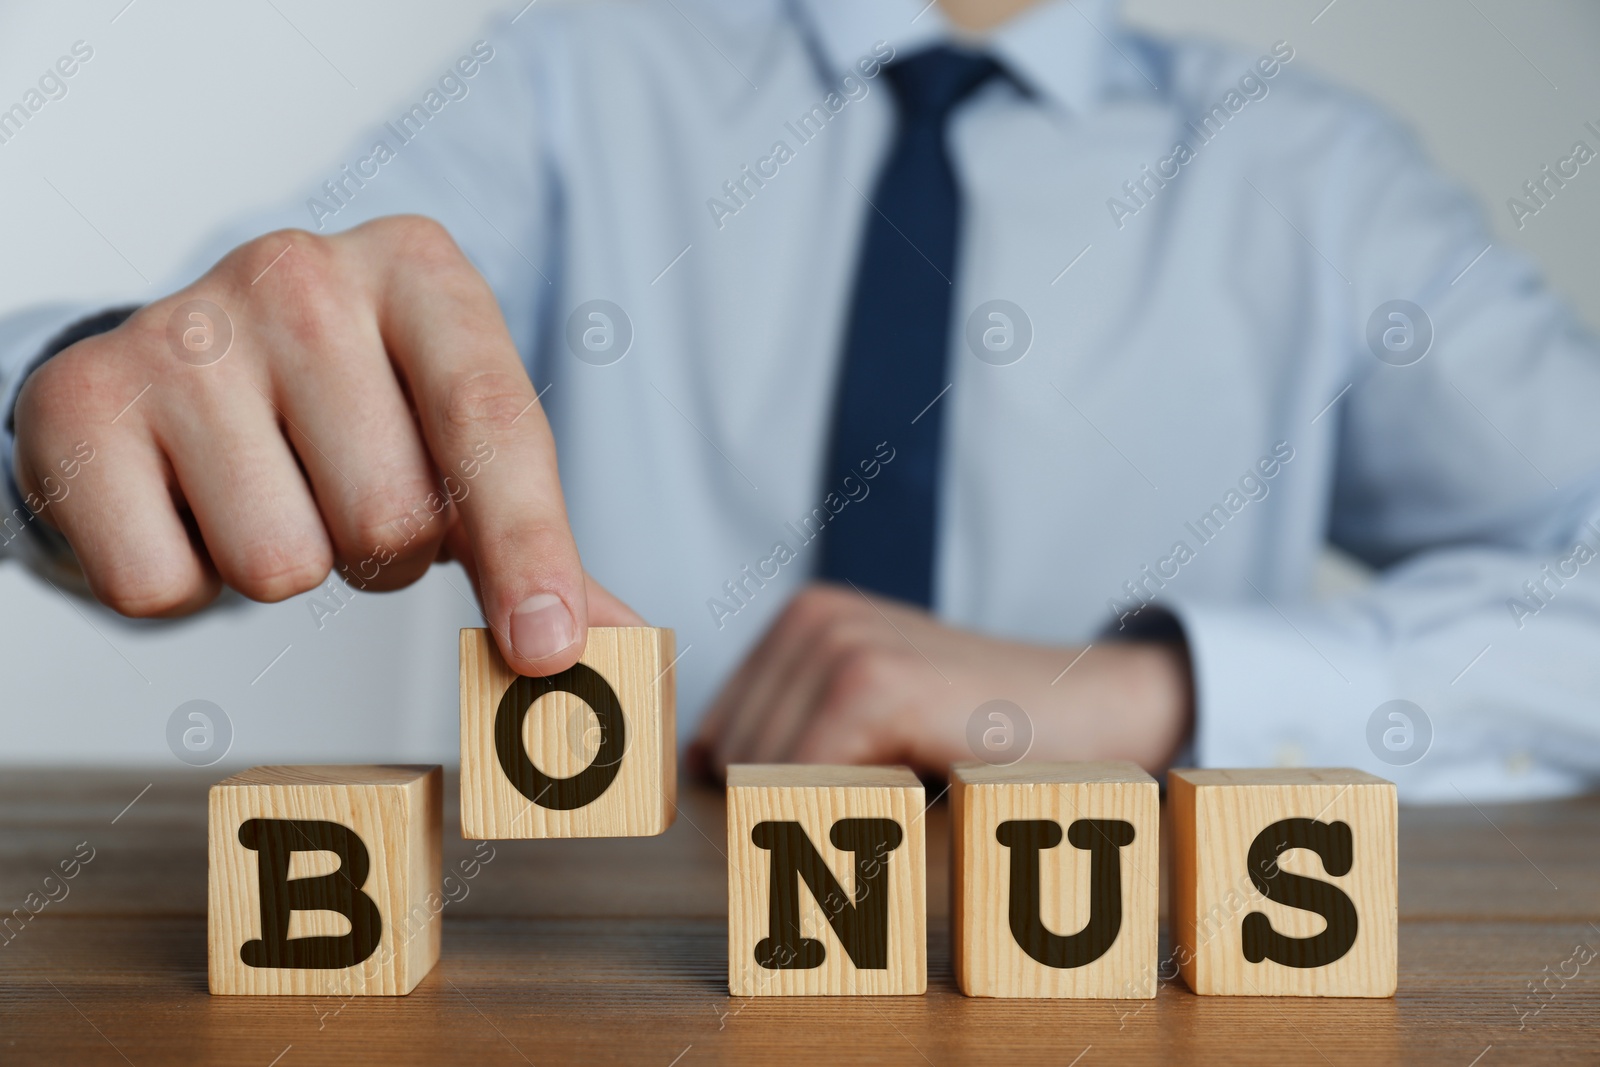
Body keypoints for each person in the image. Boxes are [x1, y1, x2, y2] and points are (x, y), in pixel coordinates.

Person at [4, 0, 1599, 801]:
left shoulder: (1317, 182)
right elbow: (212, 403)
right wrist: (76, 406)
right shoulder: (584, 77)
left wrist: (1162, 697)